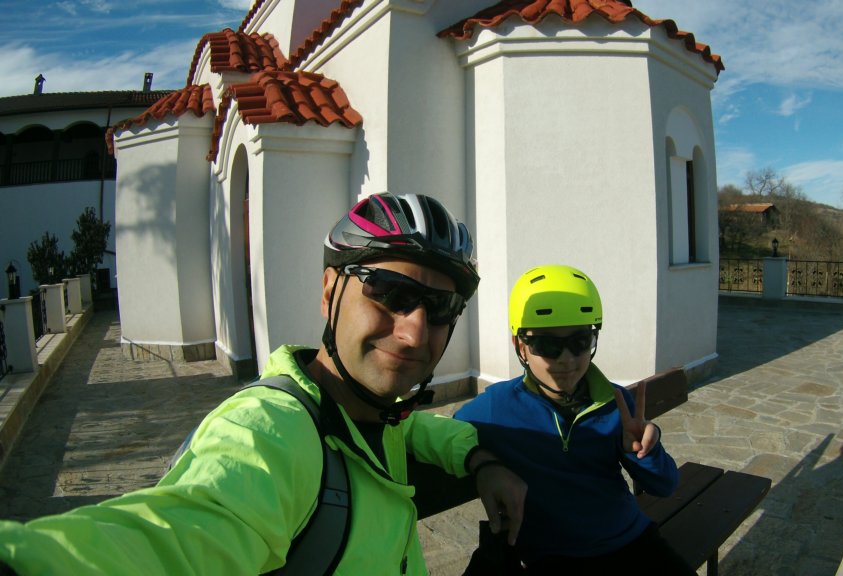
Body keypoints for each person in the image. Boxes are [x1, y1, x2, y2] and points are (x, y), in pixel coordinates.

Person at [0, 192, 526, 575]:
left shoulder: (373, 414)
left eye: (441, 308)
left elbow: (416, 431)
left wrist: (480, 459)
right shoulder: (267, 432)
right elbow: (178, 538)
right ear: (330, 291)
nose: (414, 332)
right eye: (391, 292)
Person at [455, 264, 696, 575]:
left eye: (580, 341)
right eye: (547, 344)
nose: (566, 359)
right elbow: (445, 433)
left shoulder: (616, 402)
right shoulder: (496, 407)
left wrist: (645, 451)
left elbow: (665, 485)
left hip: (632, 540)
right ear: (521, 346)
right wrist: (482, 462)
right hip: (553, 558)